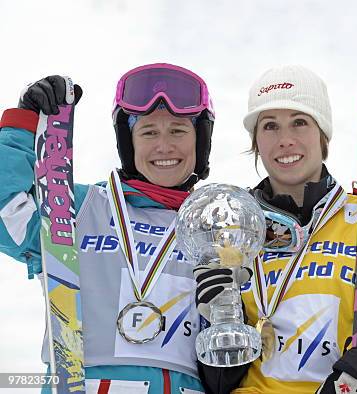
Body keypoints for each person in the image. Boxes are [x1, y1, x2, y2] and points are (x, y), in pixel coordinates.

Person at [194, 65, 357, 394]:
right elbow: (217, 383)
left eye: (299, 122)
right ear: (256, 141)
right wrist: (222, 327)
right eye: (269, 126)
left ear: (323, 135)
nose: (285, 140)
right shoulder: (234, 234)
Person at [0, 63, 215, 393]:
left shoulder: (217, 229)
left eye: (177, 131)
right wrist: (23, 125)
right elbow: (6, 211)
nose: (164, 146)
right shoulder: (78, 208)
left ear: (200, 142)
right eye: (148, 132)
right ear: (128, 144)